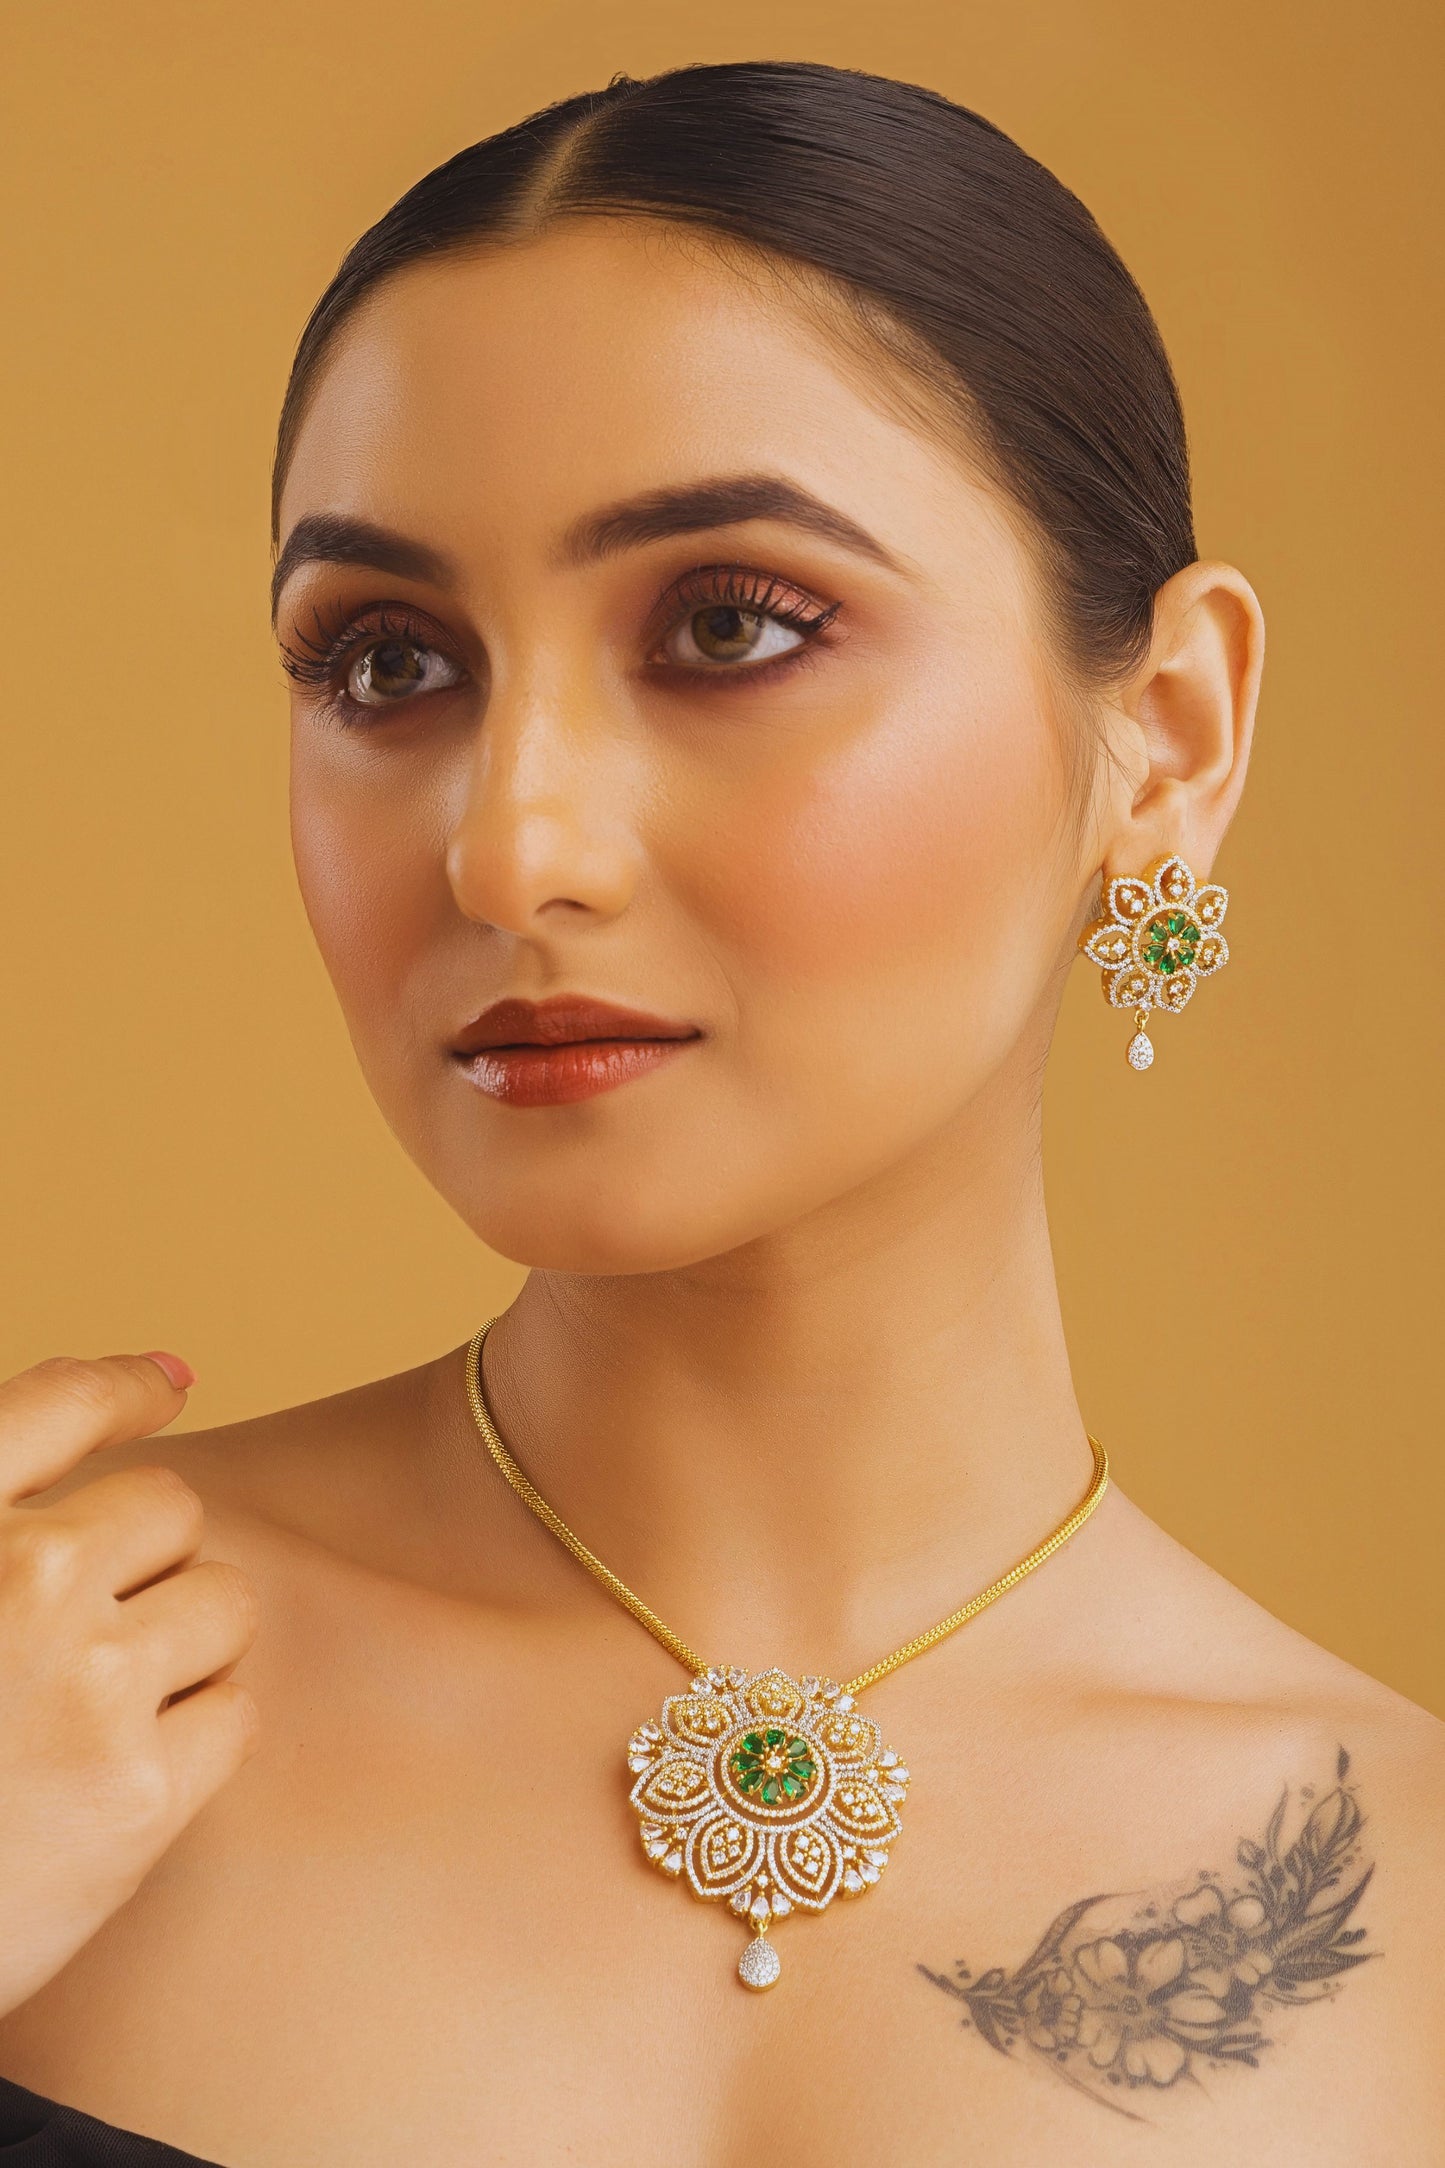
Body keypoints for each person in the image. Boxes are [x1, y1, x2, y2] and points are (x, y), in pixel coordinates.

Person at [0, 59, 1439, 2167]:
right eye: (388, 663)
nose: (511, 848)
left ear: (1170, 739)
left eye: (731, 624)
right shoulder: (38, 1699)